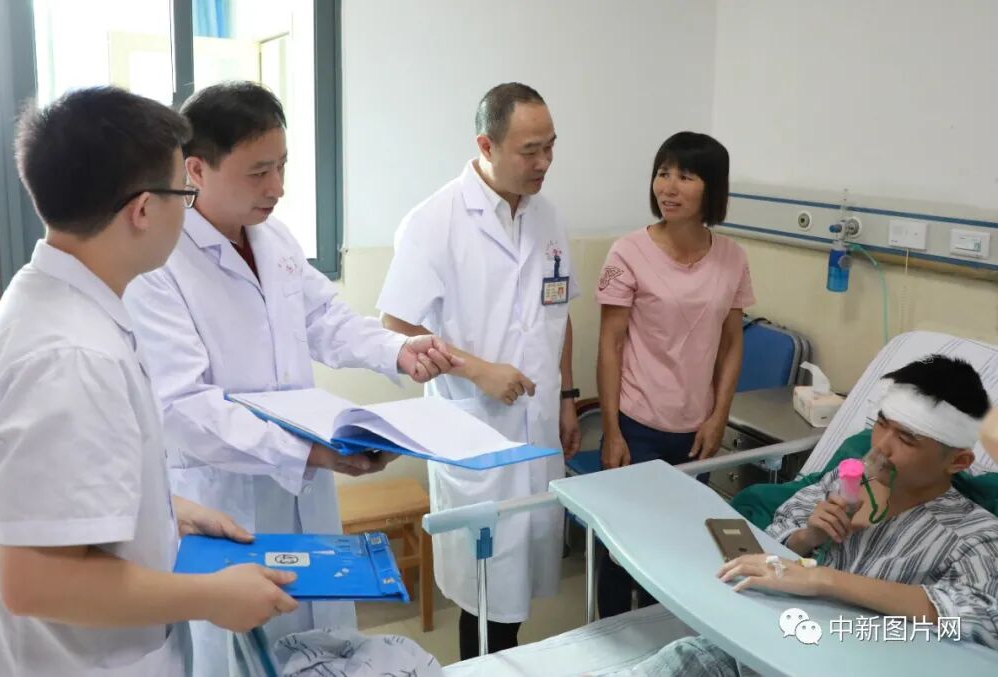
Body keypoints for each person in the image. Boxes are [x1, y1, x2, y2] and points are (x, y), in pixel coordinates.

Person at [0, 87, 298, 677]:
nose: (189, 211)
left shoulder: (60, 309)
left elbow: (46, 501)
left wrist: (160, 511)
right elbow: (38, 581)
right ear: (142, 210)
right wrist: (213, 596)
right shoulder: (70, 357)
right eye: (184, 193)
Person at [123, 81, 460, 677]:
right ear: (195, 169)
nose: (277, 187)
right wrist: (308, 452)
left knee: (323, 645)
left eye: (282, 166)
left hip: (304, 493)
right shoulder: (160, 265)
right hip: (225, 497)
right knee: (240, 656)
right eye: (258, 172)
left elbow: (325, 318)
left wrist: (398, 351)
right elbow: (183, 407)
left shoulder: (274, 238)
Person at [620, 354, 998, 675]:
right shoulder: (846, 480)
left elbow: (979, 616)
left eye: (906, 439)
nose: (881, 446)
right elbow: (778, 533)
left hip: (855, 663)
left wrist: (823, 579)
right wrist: (808, 537)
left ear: (958, 461)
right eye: (882, 424)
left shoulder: (973, 535)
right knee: (688, 657)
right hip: (774, 643)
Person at [377, 82, 581, 659]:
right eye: (529, 150)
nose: (543, 162)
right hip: (475, 430)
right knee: (484, 594)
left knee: (523, 581)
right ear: (486, 146)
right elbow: (394, 327)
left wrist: (568, 397)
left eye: (550, 147)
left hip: (538, 429)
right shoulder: (434, 221)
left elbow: (560, 315)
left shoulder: (548, 217)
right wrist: (477, 370)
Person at [594, 131, 754, 617]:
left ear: (712, 188)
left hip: (694, 428)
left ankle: (663, 634)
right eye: (663, 173)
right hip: (637, 423)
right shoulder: (628, 252)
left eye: (685, 176)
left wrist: (718, 417)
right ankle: (614, 634)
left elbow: (732, 343)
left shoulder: (732, 257)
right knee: (623, 545)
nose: (668, 186)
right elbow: (610, 345)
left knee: (678, 543)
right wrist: (611, 430)